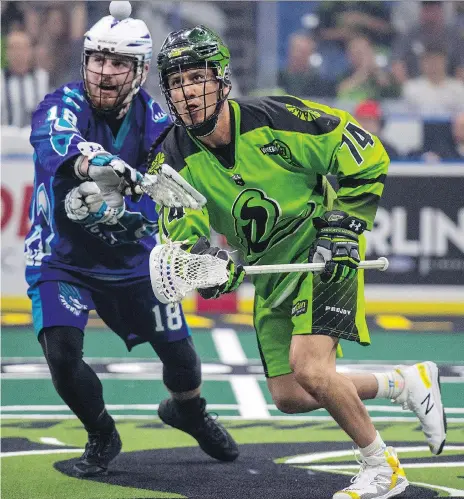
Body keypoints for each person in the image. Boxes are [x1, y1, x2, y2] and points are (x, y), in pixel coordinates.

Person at [149, 25, 447, 499]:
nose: (188, 92)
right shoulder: (170, 159)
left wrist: (344, 226)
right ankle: (404, 383)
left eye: (197, 77)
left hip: (321, 255)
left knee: (311, 368)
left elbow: (363, 151)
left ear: (222, 78)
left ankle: (381, 467)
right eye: (178, 82)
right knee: (291, 395)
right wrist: (206, 268)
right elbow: (186, 245)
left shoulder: (277, 117)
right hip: (273, 275)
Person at [25, 9, 238, 478]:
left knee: (183, 362)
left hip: (135, 260)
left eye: (118, 63)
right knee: (60, 353)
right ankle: (101, 431)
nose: (104, 71)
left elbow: (192, 185)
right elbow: (56, 140)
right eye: (97, 59)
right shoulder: (60, 103)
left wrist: (204, 245)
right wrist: (97, 164)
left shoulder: (161, 120)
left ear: (140, 71)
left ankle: (189, 410)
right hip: (63, 259)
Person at [1, 29, 49, 127]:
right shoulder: (1, 78)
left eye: (22, 48)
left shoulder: (41, 78)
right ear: (7, 52)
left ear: (30, 51)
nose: (18, 53)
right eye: (13, 48)